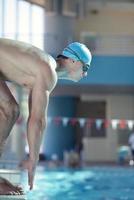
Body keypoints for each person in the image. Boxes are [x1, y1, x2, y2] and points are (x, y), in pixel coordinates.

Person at [0, 38, 92, 195]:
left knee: (11, 110)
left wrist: (33, 157)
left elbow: (34, 118)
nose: (86, 74)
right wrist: (33, 161)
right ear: (73, 60)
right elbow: (38, 121)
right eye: (86, 67)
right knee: (10, 110)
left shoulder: (41, 69)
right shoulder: (48, 70)